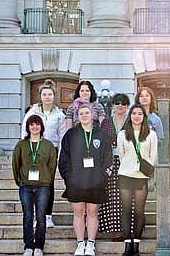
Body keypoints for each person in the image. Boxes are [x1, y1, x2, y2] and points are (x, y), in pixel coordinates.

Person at [58, 101, 112, 256]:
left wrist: (103, 177)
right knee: (78, 212)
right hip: (76, 182)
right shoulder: (71, 134)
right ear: (77, 116)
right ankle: (80, 243)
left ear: (92, 114)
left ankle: (91, 244)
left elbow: (108, 158)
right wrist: (69, 178)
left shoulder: (101, 134)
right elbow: (64, 159)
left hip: (96, 181)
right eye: (81, 113)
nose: (84, 116)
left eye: (86, 113)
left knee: (93, 212)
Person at [21, 79, 66, 228]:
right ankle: (36, 215)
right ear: (40, 96)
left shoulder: (59, 114)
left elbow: (62, 135)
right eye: (45, 94)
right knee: (34, 184)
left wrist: (60, 156)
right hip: (34, 150)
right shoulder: (32, 113)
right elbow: (24, 132)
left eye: (50, 94)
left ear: (54, 96)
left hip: (51, 151)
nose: (47, 97)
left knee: (48, 184)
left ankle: (47, 216)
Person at [13, 114, 57, 256]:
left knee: (41, 217)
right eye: (31, 124)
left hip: (43, 186)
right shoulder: (21, 145)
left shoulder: (48, 145)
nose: (34, 127)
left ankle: (39, 245)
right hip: (25, 186)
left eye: (37, 124)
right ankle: (28, 246)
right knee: (27, 216)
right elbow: (16, 164)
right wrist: (20, 181)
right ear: (28, 127)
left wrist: (47, 180)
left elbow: (52, 166)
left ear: (41, 127)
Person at [117, 104, 158, 256]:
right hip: (126, 175)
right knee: (126, 210)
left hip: (141, 176)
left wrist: (144, 168)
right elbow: (121, 155)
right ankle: (128, 245)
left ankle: (137, 246)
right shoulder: (122, 134)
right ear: (130, 115)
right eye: (134, 113)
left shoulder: (151, 134)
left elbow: (153, 156)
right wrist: (129, 165)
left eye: (140, 113)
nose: (136, 116)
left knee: (139, 211)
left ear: (144, 116)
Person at [99, 93, 131, 239]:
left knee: (126, 195)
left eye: (123, 103)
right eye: (117, 103)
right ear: (112, 105)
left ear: (127, 106)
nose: (120, 105)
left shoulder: (131, 121)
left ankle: (127, 229)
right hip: (110, 161)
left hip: (127, 161)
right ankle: (115, 229)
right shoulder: (106, 122)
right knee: (112, 196)